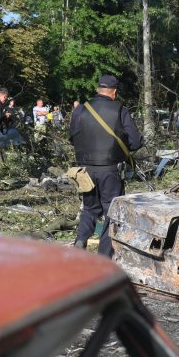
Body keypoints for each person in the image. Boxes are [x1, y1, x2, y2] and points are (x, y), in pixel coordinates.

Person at [71, 75, 143, 257]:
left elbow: (73, 137)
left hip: (85, 170)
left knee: (90, 208)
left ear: (97, 89)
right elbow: (136, 141)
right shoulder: (120, 110)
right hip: (111, 170)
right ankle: (104, 256)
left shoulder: (80, 109)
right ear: (115, 91)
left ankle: (80, 240)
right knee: (112, 213)